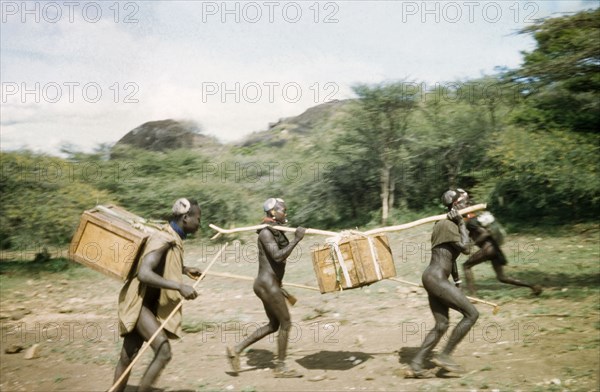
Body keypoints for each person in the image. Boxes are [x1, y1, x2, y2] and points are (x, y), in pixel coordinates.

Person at [112, 198, 203, 392]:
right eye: (198, 217)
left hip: (147, 303)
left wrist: (184, 269)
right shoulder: (163, 239)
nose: (199, 222)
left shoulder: (172, 237)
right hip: (139, 303)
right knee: (163, 351)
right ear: (186, 217)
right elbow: (145, 273)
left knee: (127, 357)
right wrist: (179, 286)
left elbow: (160, 265)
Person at [226, 198, 306, 378]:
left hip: (270, 284)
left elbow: (283, 251)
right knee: (286, 323)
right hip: (266, 284)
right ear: (272, 213)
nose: (285, 213)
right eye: (282, 210)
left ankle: (236, 349)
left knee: (274, 325)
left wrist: (291, 234)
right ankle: (281, 367)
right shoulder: (265, 233)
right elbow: (278, 257)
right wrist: (297, 239)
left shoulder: (275, 231)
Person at [409, 189, 479, 377]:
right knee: (471, 314)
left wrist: (456, 281)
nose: (468, 205)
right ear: (455, 205)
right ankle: (445, 355)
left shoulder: (446, 224)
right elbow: (465, 249)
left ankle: (416, 364)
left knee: (441, 325)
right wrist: (461, 224)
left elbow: (450, 256)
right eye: (465, 202)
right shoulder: (447, 224)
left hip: (435, 277)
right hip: (436, 278)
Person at [460, 189, 542, 296]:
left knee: (466, 266)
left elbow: (485, 233)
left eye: (461, 206)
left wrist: (473, 244)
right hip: (494, 249)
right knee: (502, 277)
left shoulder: (471, 221)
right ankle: (533, 287)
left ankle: (473, 295)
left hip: (488, 249)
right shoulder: (473, 218)